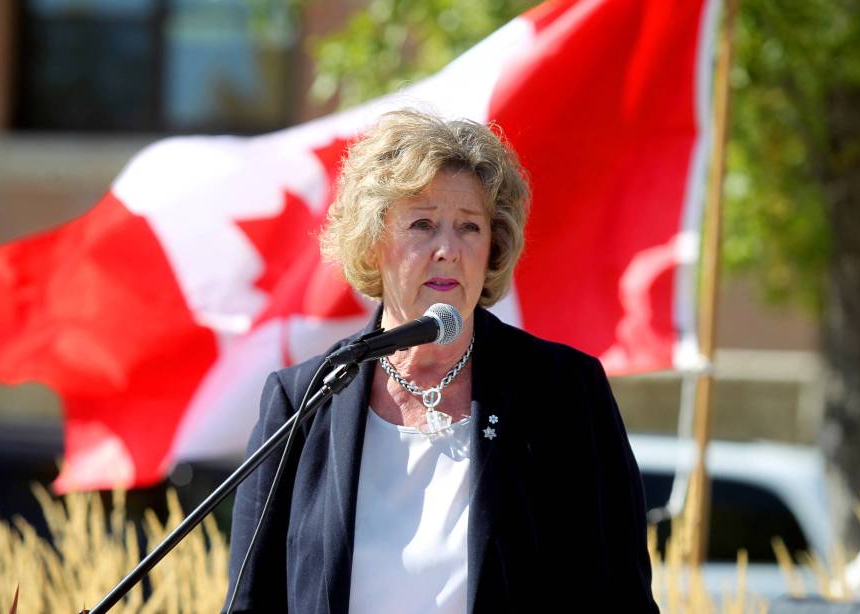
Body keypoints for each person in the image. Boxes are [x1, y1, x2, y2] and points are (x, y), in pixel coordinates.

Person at [224, 109, 659, 613]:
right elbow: (250, 602)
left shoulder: (563, 392)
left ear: (493, 246)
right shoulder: (304, 400)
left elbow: (620, 597)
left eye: (469, 228)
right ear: (373, 244)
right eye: (423, 224)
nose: (448, 249)